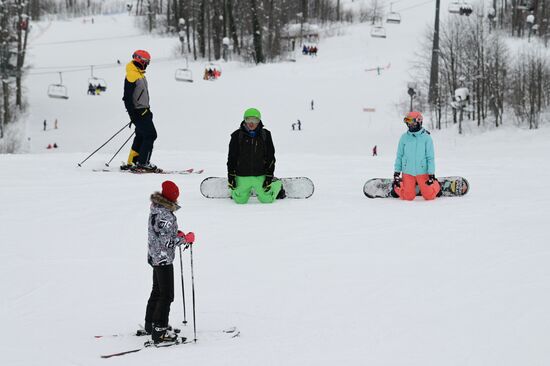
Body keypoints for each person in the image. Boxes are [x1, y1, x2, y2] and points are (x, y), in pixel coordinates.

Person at [144, 181, 195, 344]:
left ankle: (151, 324)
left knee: (157, 291)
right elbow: (168, 241)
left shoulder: (157, 208)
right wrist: (184, 239)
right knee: (167, 295)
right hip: (163, 258)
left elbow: (162, 233)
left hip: (155, 255)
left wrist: (176, 233)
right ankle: (160, 330)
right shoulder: (165, 214)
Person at [227, 108, 285, 204]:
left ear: (259, 121)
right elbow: (231, 157)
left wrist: (269, 176)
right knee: (240, 200)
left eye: (255, 120)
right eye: (248, 119)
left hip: (260, 174)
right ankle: (241, 189)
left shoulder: (265, 134)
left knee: (266, 199)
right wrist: (231, 176)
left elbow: (270, 157)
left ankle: (277, 184)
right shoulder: (237, 135)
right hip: (242, 174)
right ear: (244, 120)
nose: (251, 123)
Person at [122, 50, 158, 171]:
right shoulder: (132, 75)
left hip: (144, 111)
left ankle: (133, 161)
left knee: (141, 136)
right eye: (146, 62)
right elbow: (127, 98)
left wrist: (147, 111)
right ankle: (143, 163)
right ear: (140, 60)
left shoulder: (139, 74)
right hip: (139, 112)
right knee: (151, 135)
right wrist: (133, 115)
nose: (147, 64)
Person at [391, 111, 441, 200]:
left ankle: (436, 185)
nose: (410, 125)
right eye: (408, 122)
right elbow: (399, 155)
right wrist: (397, 172)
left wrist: (431, 174)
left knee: (429, 196)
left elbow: (430, 157)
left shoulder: (426, 138)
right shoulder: (404, 137)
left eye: (412, 122)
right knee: (408, 197)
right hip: (408, 172)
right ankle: (396, 187)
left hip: (422, 172)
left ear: (419, 122)